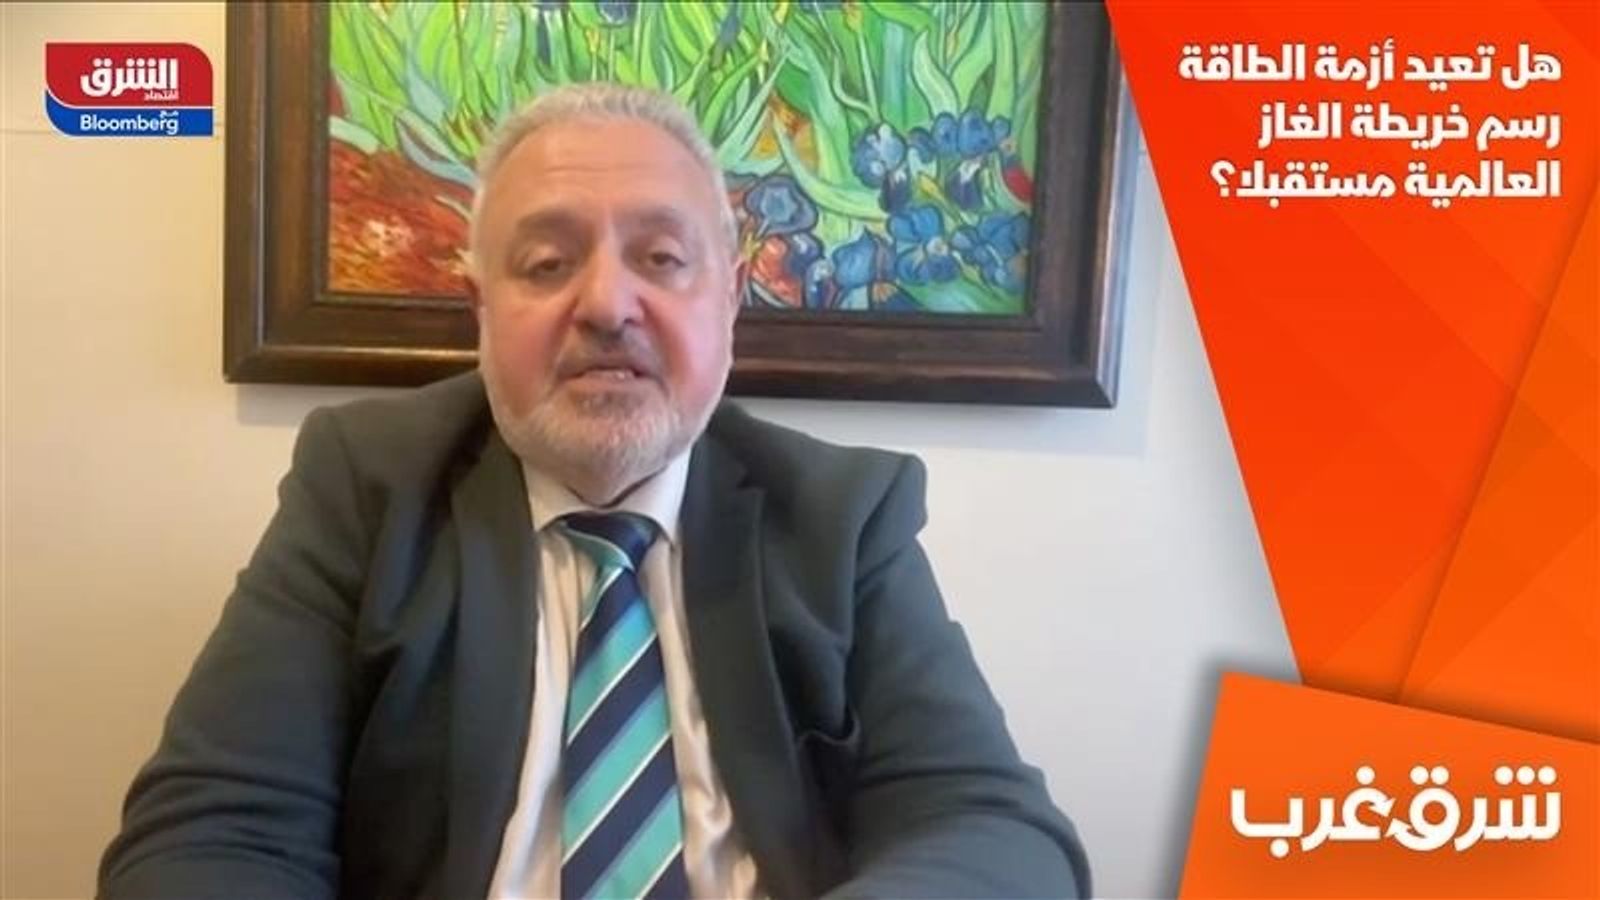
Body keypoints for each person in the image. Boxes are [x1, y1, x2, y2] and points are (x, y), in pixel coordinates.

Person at [99, 83, 1090, 899]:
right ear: (482, 309)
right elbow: (211, 835)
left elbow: (992, 829)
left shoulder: (842, 514)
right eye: (546, 264)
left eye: (662, 259)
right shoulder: (366, 486)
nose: (609, 304)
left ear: (728, 300)